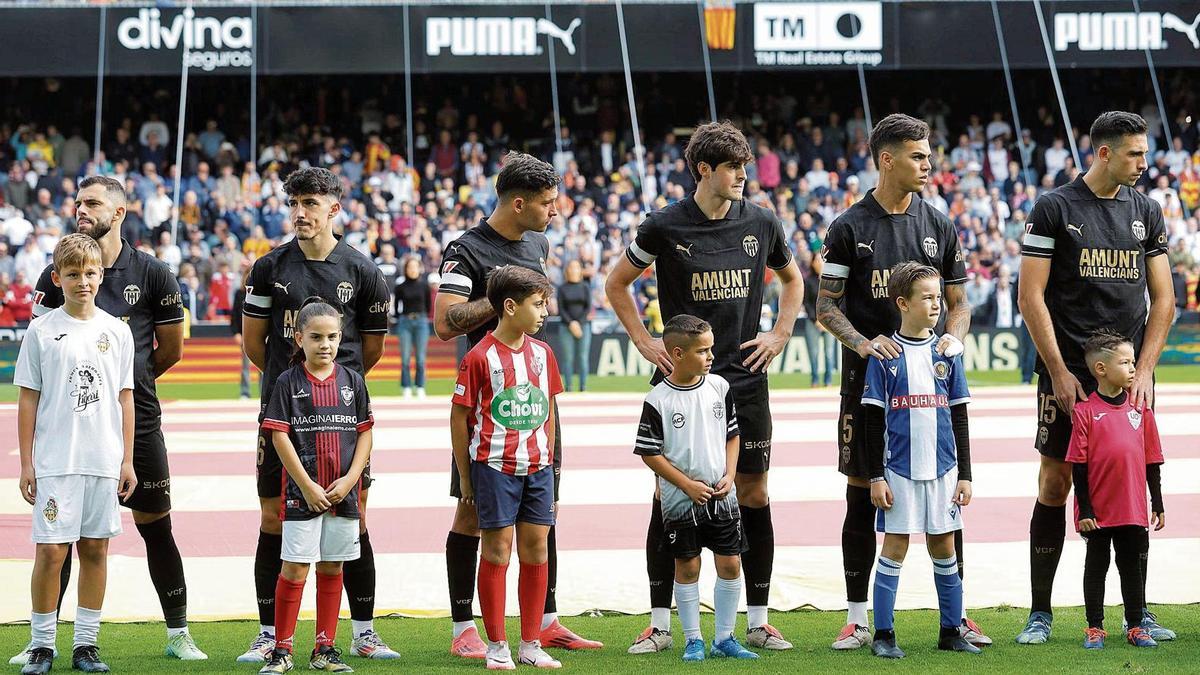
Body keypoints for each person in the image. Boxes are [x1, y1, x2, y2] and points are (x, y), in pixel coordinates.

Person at [606, 120, 803, 653]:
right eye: (734, 168)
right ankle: (661, 624)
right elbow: (616, 283)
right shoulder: (664, 226)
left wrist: (781, 332)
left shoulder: (761, 222)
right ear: (704, 170)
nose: (744, 176)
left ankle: (757, 620)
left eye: (745, 166)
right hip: (681, 383)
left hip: (745, 379)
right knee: (668, 496)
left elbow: (794, 278)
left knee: (753, 492)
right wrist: (646, 342)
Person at [15, 176, 203, 665]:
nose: (81, 209)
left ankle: (178, 631)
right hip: (71, 436)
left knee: (155, 526)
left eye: (92, 203)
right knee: (59, 543)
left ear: (119, 212)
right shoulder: (53, 275)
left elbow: (172, 350)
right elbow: (40, 367)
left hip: (134, 425)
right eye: (78, 202)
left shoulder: (155, 272)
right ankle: (43, 640)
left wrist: (129, 382)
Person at [814, 114, 984, 650]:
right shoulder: (847, 227)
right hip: (869, 384)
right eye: (917, 156)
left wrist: (950, 341)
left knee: (943, 489)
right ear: (886, 159)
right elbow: (825, 306)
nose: (929, 164)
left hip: (929, 383)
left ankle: (955, 616)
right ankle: (859, 615)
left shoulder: (940, 224)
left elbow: (959, 306)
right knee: (863, 493)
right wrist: (865, 345)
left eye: (929, 155)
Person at [1016, 111, 1175, 645]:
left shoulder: (1147, 211)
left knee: (1131, 490)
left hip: (1127, 381)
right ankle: (1040, 611)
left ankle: (1137, 613)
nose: (1144, 163)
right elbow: (1029, 295)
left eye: (1144, 152)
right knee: (1056, 484)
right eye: (1134, 154)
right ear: (1104, 152)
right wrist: (1059, 370)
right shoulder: (1055, 208)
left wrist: (1145, 370)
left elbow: (1165, 299)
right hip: (1069, 380)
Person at [434, 152, 601, 658]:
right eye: (548, 203)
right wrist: (503, 293)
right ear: (519, 202)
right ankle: (464, 626)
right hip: (487, 406)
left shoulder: (539, 242)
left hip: (536, 394)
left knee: (543, 511)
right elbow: (445, 323)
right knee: (470, 513)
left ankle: (544, 622)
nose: (556, 211)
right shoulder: (465, 250)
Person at [240, 167, 395, 662]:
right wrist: (295, 390)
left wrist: (332, 392)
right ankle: (269, 634)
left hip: (343, 420)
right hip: (283, 412)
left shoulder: (364, 271)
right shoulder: (268, 268)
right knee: (272, 518)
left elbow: (369, 352)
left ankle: (363, 632)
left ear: (334, 207)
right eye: (295, 204)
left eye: (310, 203)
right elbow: (253, 344)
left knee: (357, 516)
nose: (300, 213)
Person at [15, 234, 136, 674]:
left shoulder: (116, 331)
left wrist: (126, 459)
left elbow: (126, 398)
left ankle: (86, 645)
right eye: (72, 274)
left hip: (102, 461)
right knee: (50, 553)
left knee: (96, 551)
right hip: (54, 461)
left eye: (89, 273)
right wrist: (26, 462)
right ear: (57, 278)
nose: (82, 281)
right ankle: (41, 646)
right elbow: (28, 399)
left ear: (100, 274)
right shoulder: (41, 331)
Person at [862, 263, 980, 658]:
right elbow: (871, 421)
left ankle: (951, 630)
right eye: (927, 298)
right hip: (899, 470)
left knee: (945, 547)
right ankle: (883, 635)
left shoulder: (948, 351)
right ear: (902, 303)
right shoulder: (885, 356)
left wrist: (966, 474)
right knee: (895, 546)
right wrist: (875, 477)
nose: (936, 305)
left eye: (938, 297)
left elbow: (959, 415)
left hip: (944, 469)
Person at [450, 265, 564, 670]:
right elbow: (459, 416)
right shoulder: (479, 356)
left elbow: (548, 406)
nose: (544, 312)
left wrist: (548, 459)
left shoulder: (543, 353)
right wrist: (466, 475)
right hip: (495, 467)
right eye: (538, 304)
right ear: (510, 307)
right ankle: (497, 646)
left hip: (537, 469)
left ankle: (530, 644)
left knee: (536, 549)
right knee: (497, 551)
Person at [257, 300, 376, 674]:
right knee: (294, 568)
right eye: (316, 337)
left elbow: (365, 434)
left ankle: (325, 648)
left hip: (343, 494)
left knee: (332, 567)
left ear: (341, 338)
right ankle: (282, 649)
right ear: (299, 338)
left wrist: (352, 478)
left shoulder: (352, 381)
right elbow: (279, 437)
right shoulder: (287, 382)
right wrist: (306, 485)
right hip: (301, 494)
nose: (325, 344)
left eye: (332, 336)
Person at [634, 315, 759, 662]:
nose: (710, 357)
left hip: (722, 496)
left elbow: (733, 435)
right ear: (676, 353)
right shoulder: (658, 399)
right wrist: (686, 485)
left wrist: (730, 474)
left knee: (731, 563)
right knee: (687, 567)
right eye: (702, 351)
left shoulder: (719, 388)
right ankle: (693, 640)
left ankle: (725, 637)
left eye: (710, 349)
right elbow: (649, 452)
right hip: (679, 499)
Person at [1067, 330, 1165, 650]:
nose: (1134, 368)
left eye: (1134, 361)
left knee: (1131, 567)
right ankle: (1095, 627)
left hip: (1133, 508)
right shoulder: (1084, 412)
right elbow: (1078, 466)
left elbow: (1152, 459)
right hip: (1097, 511)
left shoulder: (1141, 407)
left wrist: (1157, 502)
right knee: (1096, 566)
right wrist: (1086, 510)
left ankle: (1136, 625)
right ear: (1101, 369)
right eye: (1126, 362)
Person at [394, 255, 432, 399]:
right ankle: (406, 387)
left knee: (420, 358)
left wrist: (421, 316)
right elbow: (397, 306)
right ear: (406, 269)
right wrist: (401, 318)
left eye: (415, 267)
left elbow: (428, 305)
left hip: (421, 322)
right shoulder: (400, 287)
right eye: (410, 267)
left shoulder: (424, 286)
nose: (413, 270)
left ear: (419, 269)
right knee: (405, 358)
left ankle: (420, 386)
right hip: (405, 323)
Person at [556, 259, 592, 392]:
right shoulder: (562, 288)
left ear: (580, 270)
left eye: (576, 267)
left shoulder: (585, 287)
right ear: (567, 270)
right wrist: (571, 323)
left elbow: (588, 307)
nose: (574, 270)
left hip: (584, 326)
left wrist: (579, 323)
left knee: (583, 357)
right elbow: (561, 309)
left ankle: (583, 387)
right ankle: (568, 386)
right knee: (568, 358)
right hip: (566, 326)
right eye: (571, 267)